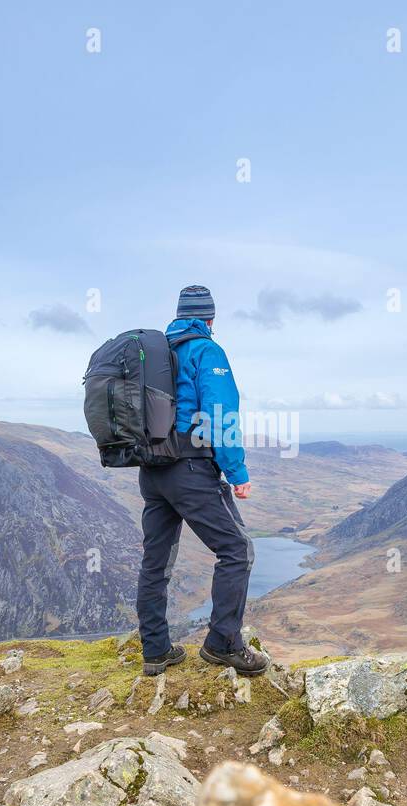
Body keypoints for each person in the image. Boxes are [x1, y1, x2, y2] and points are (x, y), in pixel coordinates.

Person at [135, 285, 266, 677]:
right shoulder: (207, 351)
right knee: (237, 550)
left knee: (155, 561)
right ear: (209, 318)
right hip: (189, 468)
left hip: (152, 470)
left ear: (178, 316)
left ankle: (156, 650)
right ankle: (223, 644)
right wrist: (237, 473)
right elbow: (221, 412)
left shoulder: (156, 354)